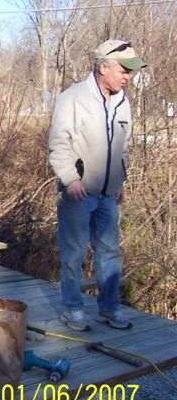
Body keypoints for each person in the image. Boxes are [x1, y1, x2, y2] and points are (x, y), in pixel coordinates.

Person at [49, 40, 146, 331]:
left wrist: (121, 180)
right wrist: (70, 178)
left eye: (131, 71)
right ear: (103, 67)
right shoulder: (73, 98)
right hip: (78, 192)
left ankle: (110, 308)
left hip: (108, 195)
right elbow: (58, 143)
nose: (128, 76)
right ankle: (72, 309)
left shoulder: (123, 102)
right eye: (123, 69)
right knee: (74, 252)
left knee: (109, 253)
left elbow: (122, 148)